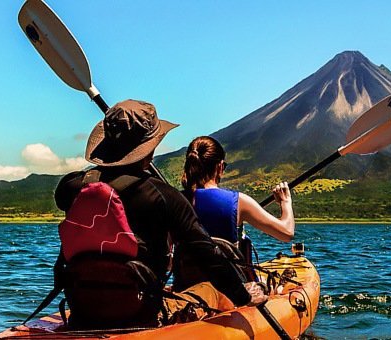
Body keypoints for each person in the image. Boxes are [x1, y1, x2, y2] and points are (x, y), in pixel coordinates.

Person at [53, 99, 266, 328]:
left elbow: (66, 194)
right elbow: (209, 256)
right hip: (139, 314)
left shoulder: (72, 187)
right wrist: (244, 295)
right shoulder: (165, 197)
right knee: (210, 289)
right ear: (150, 150)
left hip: (83, 307)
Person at [173, 136, 295, 290]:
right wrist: (285, 202)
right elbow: (286, 232)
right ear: (220, 167)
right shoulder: (238, 201)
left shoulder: (174, 201)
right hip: (231, 295)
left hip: (186, 290)